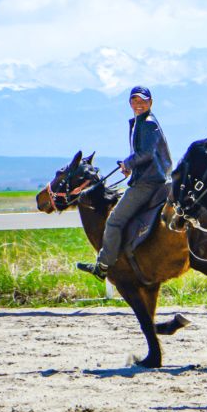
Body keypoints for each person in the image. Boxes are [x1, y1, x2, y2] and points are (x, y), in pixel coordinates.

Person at [77, 86, 173, 280]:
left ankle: (103, 265)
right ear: (130, 103)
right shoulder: (143, 122)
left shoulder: (147, 123)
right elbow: (147, 154)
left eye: (143, 101)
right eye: (135, 101)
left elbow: (147, 153)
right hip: (153, 177)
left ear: (150, 103)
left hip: (147, 182)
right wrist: (130, 167)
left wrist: (129, 162)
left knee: (114, 221)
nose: (139, 104)